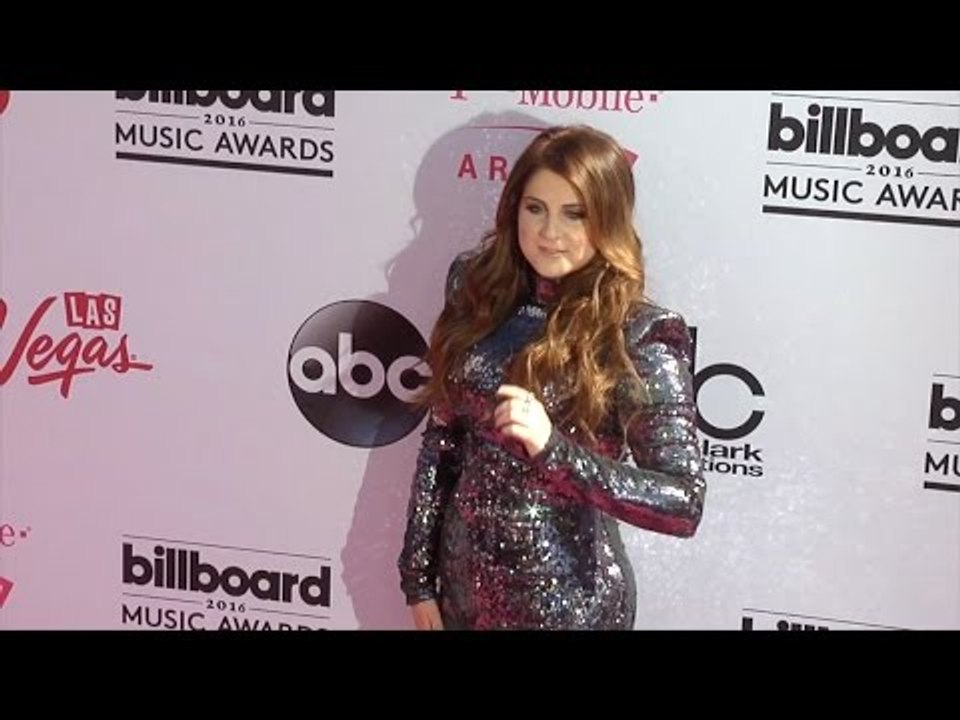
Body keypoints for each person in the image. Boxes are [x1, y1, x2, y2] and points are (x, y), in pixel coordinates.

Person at [397, 124, 706, 630]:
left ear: (608, 218)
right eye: (535, 208)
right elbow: (443, 440)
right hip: (461, 594)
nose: (549, 232)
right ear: (514, 207)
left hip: (572, 605)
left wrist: (554, 451)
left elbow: (682, 502)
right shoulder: (476, 291)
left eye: (574, 213)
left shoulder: (639, 333)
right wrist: (418, 578)